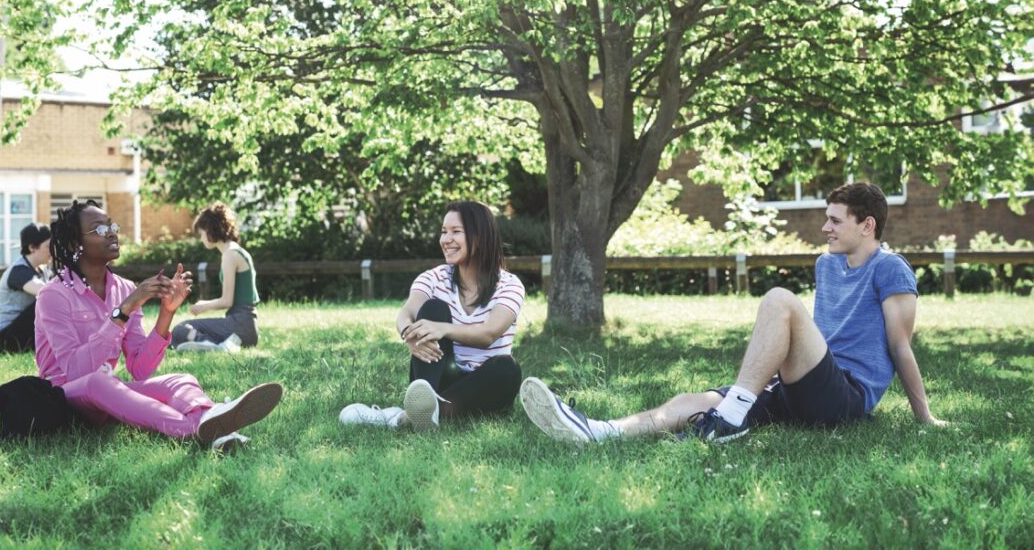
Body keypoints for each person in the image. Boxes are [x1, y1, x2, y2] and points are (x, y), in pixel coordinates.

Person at [521, 182, 947, 445]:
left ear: (867, 225)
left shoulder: (891, 268)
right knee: (702, 401)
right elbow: (817, 340)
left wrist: (923, 417)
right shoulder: (827, 264)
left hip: (846, 396)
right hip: (806, 385)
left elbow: (900, 346)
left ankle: (732, 416)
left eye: (835, 221)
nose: (825, 228)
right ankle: (601, 431)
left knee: (779, 298)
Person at [34, 199, 282, 451]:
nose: (111, 233)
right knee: (99, 381)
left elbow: (140, 369)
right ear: (76, 243)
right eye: (99, 229)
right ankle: (194, 429)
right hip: (66, 397)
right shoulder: (54, 295)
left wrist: (167, 312)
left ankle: (213, 422)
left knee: (180, 380)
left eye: (112, 226)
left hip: (109, 393)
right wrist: (124, 310)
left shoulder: (124, 289)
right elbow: (76, 372)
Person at [340, 200, 525, 431]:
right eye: (444, 232)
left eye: (456, 231)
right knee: (433, 309)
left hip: (485, 385)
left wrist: (442, 329)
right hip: (439, 380)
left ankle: (407, 417)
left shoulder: (509, 285)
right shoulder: (434, 278)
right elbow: (406, 313)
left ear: (480, 236)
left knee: (507, 367)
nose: (446, 240)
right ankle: (423, 407)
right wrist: (409, 333)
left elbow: (488, 333)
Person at [171, 203, 260, 353]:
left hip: (240, 325)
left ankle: (216, 346)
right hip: (245, 326)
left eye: (201, 233)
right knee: (176, 338)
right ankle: (212, 344)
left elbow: (227, 301)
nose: (201, 239)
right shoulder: (235, 251)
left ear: (211, 229)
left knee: (181, 329)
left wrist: (202, 305)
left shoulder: (230, 255)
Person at [0, 223, 52, 353]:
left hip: (21, 335)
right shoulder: (18, 271)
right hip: (2, 341)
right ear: (32, 247)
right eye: (48, 246)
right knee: (46, 300)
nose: (52, 250)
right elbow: (48, 293)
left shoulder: (43, 270)